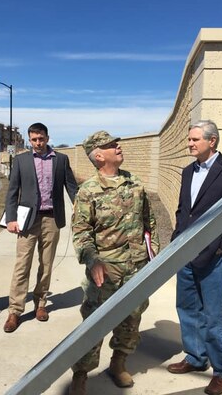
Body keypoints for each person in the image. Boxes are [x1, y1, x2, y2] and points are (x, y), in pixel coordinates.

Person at [69, 130, 160, 395]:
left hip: (136, 268)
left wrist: (153, 255)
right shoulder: (88, 191)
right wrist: (93, 260)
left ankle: (118, 363)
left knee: (131, 320)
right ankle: (81, 373)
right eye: (110, 145)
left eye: (116, 143)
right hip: (105, 272)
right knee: (94, 324)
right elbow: (81, 232)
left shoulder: (136, 183)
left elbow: (150, 222)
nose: (118, 147)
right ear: (98, 155)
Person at [167, 120, 222, 395]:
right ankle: (195, 357)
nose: (190, 144)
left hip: (213, 258)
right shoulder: (187, 171)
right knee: (188, 308)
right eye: (189, 140)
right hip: (186, 255)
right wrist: (177, 238)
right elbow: (184, 210)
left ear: (212, 141)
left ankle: (221, 370)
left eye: (195, 140)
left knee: (215, 316)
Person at [3, 122, 78, 333]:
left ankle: (41, 303)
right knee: (22, 265)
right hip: (27, 220)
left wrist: (78, 207)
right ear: (30, 140)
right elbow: (12, 191)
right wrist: (10, 218)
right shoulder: (21, 161)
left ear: (47, 137)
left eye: (41, 139)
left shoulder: (61, 160)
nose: (38, 143)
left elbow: (71, 187)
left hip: (51, 218)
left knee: (46, 264)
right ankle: (15, 310)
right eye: (34, 139)